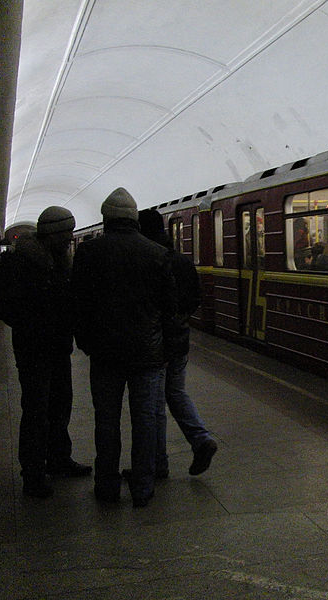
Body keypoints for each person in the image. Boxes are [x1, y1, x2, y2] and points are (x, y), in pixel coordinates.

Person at [71, 188, 176, 508]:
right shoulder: (157, 253)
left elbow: (78, 305)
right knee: (145, 421)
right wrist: (165, 349)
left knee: (106, 421)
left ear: (105, 219)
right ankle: (143, 487)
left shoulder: (89, 253)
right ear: (134, 220)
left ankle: (107, 485)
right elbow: (169, 308)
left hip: (105, 355)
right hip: (147, 355)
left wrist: (87, 343)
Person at [0, 206, 91, 499]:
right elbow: (0, 304)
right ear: (53, 234)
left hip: (58, 346)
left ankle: (59, 459)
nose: (70, 239)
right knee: (36, 411)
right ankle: (32, 473)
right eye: (67, 233)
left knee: (60, 405)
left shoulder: (60, 261)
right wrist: (31, 320)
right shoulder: (19, 262)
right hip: (33, 348)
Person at [135, 209, 218, 479]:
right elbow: (196, 298)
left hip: (156, 342)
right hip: (180, 341)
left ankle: (158, 463)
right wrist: (180, 321)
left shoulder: (148, 262)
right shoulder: (182, 261)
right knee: (177, 393)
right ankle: (201, 439)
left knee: (156, 403)